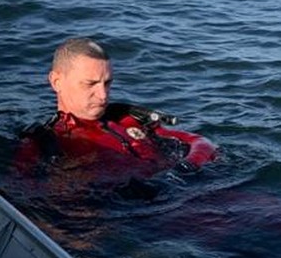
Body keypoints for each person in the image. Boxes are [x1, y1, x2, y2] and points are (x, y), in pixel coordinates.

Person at [14, 36, 217, 177]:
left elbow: (202, 143)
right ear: (56, 82)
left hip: (190, 191)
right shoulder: (47, 143)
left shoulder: (128, 120)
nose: (103, 95)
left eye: (107, 83)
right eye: (90, 84)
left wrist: (183, 171)